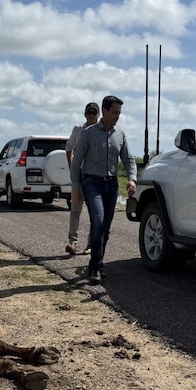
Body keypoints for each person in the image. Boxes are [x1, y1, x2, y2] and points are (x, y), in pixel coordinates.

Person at [69, 95, 137, 284]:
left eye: (119, 113)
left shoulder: (120, 135)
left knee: (105, 229)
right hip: (91, 184)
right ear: (104, 111)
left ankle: (95, 264)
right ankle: (97, 267)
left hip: (112, 185)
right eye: (114, 112)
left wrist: (132, 179)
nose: (117, 116)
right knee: (97, 222)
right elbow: (76, 163)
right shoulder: (88, 133)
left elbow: (129, 159)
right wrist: (75, 188)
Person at [64, 102, 100, 256]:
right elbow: (68, 148)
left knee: (94, 212)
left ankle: (91, 245)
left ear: (98, 114)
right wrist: (72, 167)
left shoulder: (102, 131)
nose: (91, 115)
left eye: (94, 112)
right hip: (79, 176)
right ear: (85, 114)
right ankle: (73, 242)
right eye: (89, 112)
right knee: (75, 210)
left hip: (94, 177)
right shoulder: (78, 130)